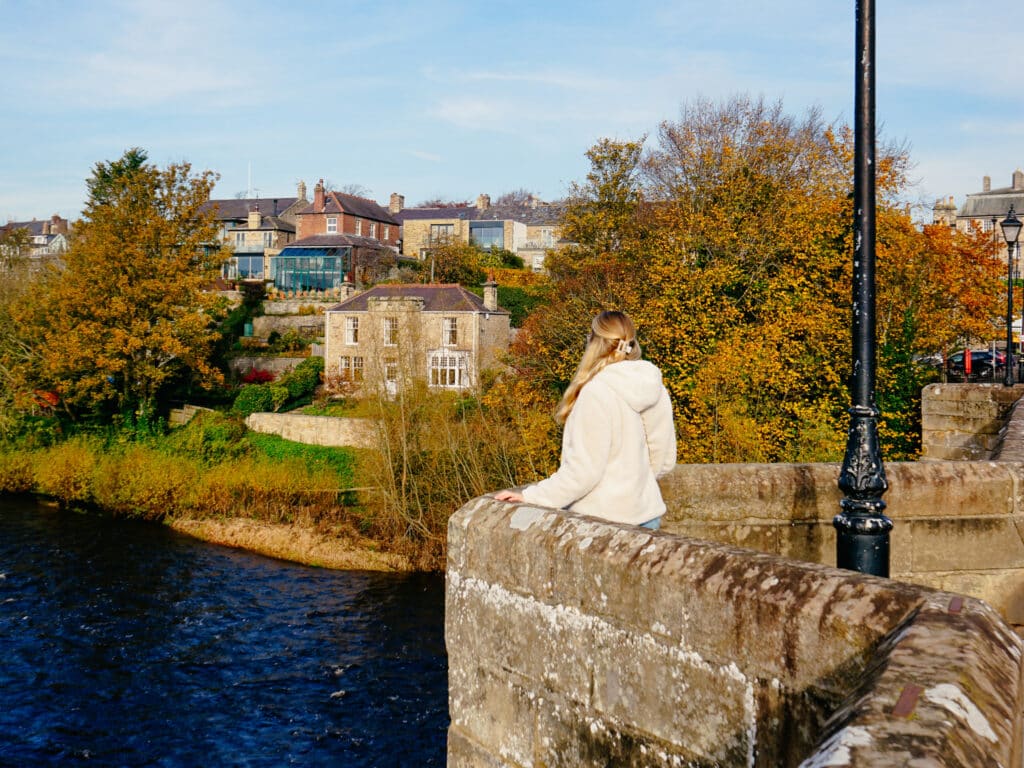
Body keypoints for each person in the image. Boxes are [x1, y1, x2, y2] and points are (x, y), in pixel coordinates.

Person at [494, 310, 676, 529]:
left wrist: (532, 496)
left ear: (593, 342)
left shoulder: (596, 393)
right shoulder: (655, 388)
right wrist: (633, 487)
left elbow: (582, 472)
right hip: (647, 516)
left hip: (604, 522)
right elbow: (664, 459)